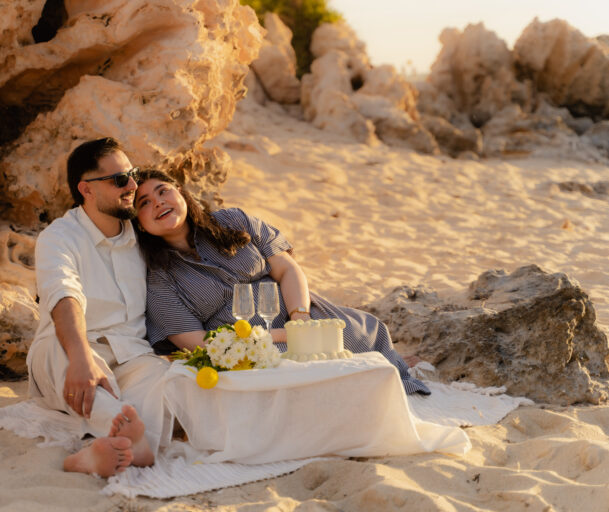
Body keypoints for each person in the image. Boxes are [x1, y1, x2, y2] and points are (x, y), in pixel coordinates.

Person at [132, 169, 430, 395]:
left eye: (163, 191)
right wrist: (281, 336)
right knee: (310, 373)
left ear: (181, 193)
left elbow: (287, 270)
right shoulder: (160, 280)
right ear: (139, 224)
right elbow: (200, 343)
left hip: (296, 313)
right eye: (145, 203)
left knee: (365, 331)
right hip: (249, 348)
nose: (159, 203)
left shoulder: (232, 221)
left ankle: (397, 370)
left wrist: (300, 319)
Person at [26, 138, 171, 478]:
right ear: (86, 189)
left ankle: (95, 452)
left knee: (166, 384)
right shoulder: (58, 237)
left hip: (133, 356)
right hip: (72, 348)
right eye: (119, 180)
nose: (132, 186)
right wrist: (81, 358)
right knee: (60, 354)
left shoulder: (143, 233)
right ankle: (126, 433)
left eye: (133, 175)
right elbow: (64, 297)